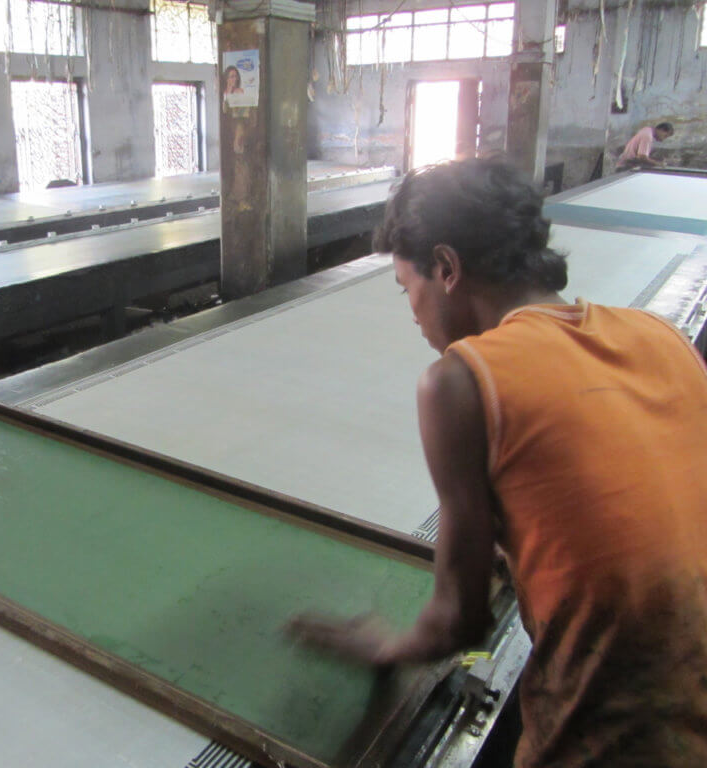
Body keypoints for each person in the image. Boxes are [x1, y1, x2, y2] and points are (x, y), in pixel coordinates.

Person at [288, 159, 707, 767]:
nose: (411, 312)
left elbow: (462, 621)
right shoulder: (661, 337)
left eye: (408, 287)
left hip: (618, 734)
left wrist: (390, 644)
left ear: (448, 269)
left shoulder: (457, 383)